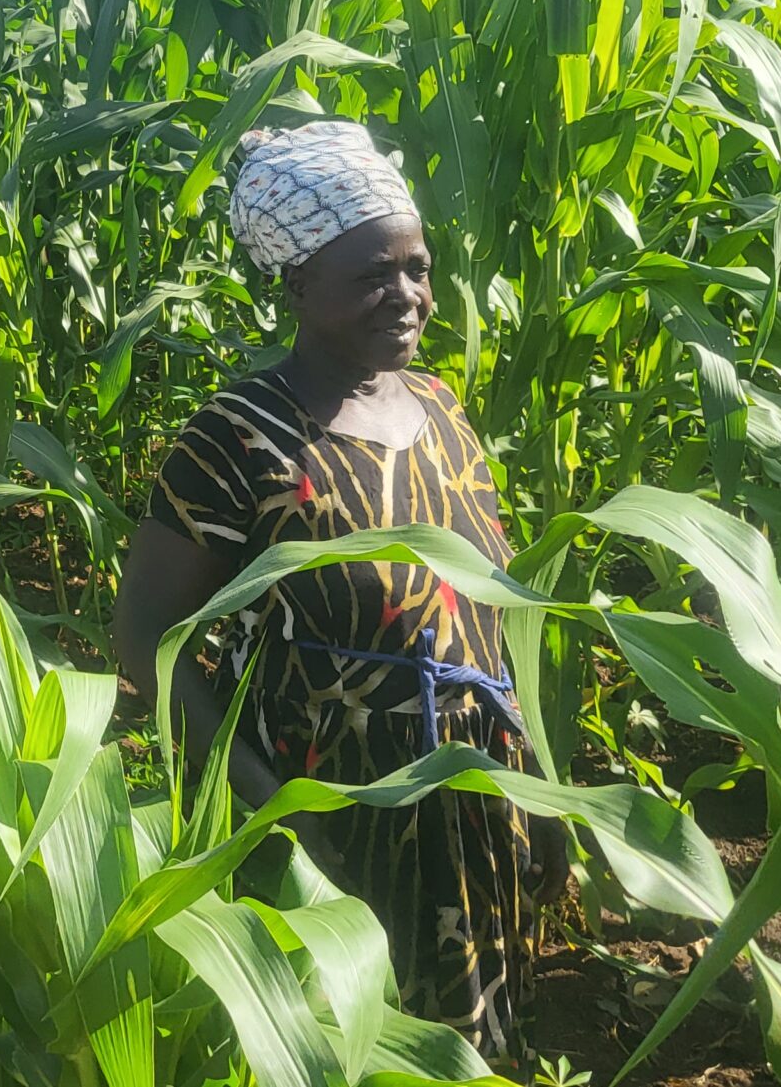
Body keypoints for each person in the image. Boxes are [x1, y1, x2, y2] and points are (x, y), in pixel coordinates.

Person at [110, 120, 555, 1061]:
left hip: (471, 800)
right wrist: (272, 808)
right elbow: (144, 633)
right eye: (371, 277)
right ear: (298, 284)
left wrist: (542, 789)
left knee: (467, 1057)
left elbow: (493, 615)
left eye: (418, 268)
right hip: (333, 820)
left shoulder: (441, 410)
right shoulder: (236, 437)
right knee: (340, 1045)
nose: (408, 296)